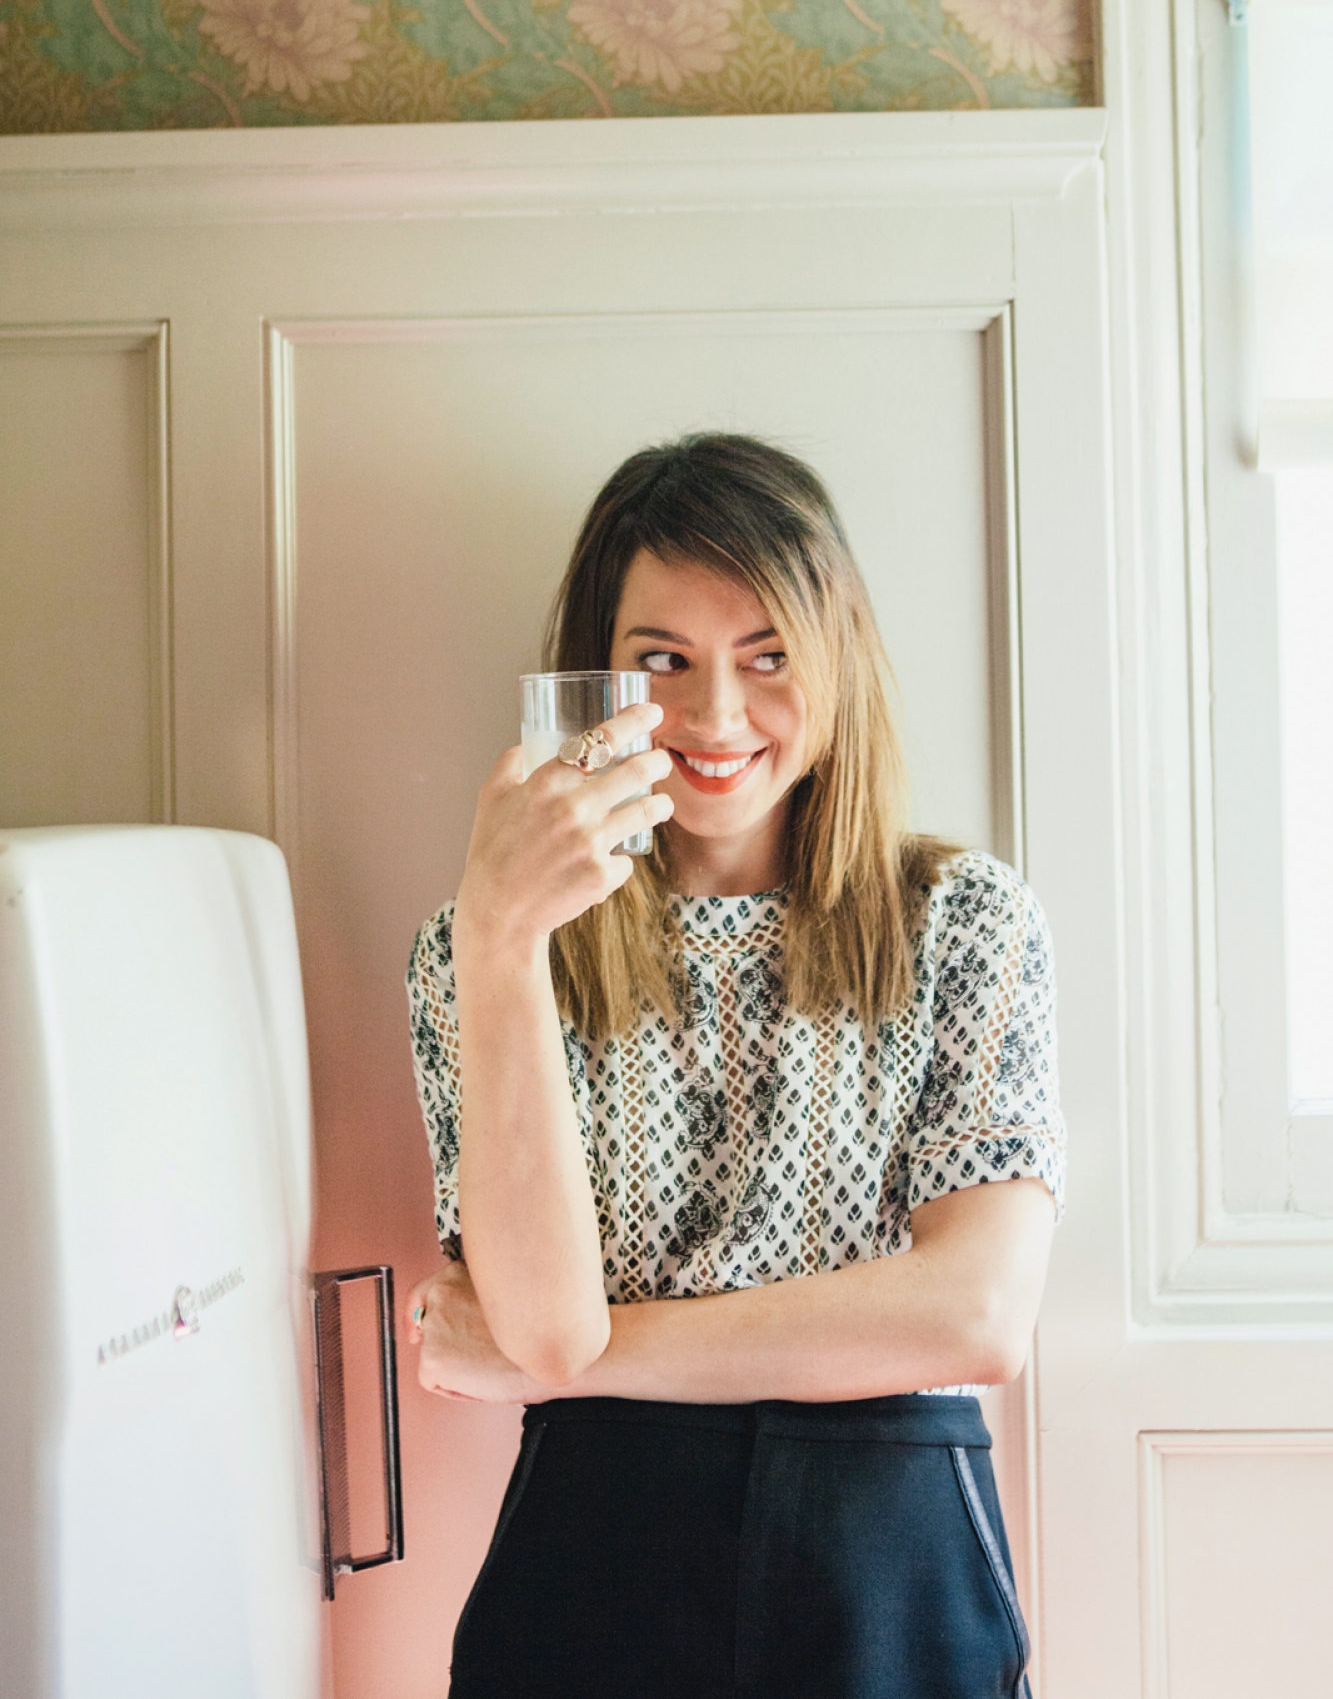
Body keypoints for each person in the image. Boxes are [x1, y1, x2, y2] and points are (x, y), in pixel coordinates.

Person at [405, 433, 1062, 1699]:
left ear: (835, 660)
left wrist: (586, 1355)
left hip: (888, 1554)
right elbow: (543, 1327)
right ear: (597, 676)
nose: (714, 718)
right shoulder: (479, 947)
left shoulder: (964, 921)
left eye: (767, 657)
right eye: (664, 661)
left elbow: (975, 1316)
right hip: (591, 1555)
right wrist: (500, 938)